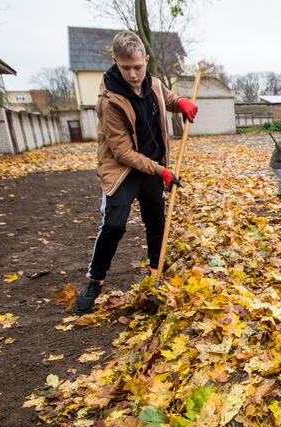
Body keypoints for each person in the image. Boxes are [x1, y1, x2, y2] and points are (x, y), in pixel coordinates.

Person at [75, 31, 198, 312]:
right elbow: (123, 153)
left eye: (138, 67)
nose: (133, 74)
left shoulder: (153, 83)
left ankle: (155, 273)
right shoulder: (110, 102)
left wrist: (180, 103)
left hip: (152, 167)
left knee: (156, 221)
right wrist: (161, 170)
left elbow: (166, 97)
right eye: (126, 67)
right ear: (116, 62)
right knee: (114, 224)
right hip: (122, 170)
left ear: (146, 60)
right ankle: (95, 279)